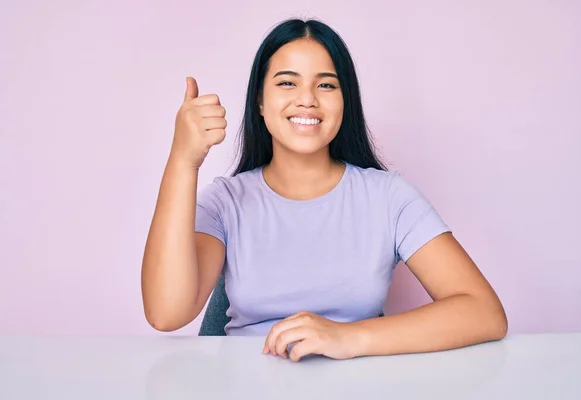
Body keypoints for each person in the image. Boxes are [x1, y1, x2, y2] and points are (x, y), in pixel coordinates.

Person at [141, 18, 508, 362]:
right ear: (260, 103)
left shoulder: (390, 197)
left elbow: (484, 312)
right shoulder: (225, 202)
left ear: (344, 102)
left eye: (326, 84)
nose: (308, 99)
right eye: (287, 82)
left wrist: (348, 337)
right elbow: (166, 313)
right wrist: (183, 160)